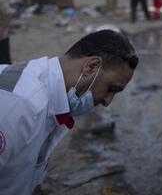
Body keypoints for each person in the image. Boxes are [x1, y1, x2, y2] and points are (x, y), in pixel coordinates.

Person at [0, 26, 138, 195]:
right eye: (111, 89)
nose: (107, 101)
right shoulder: (19, 106)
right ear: (91, 66)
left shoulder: (51, 96)